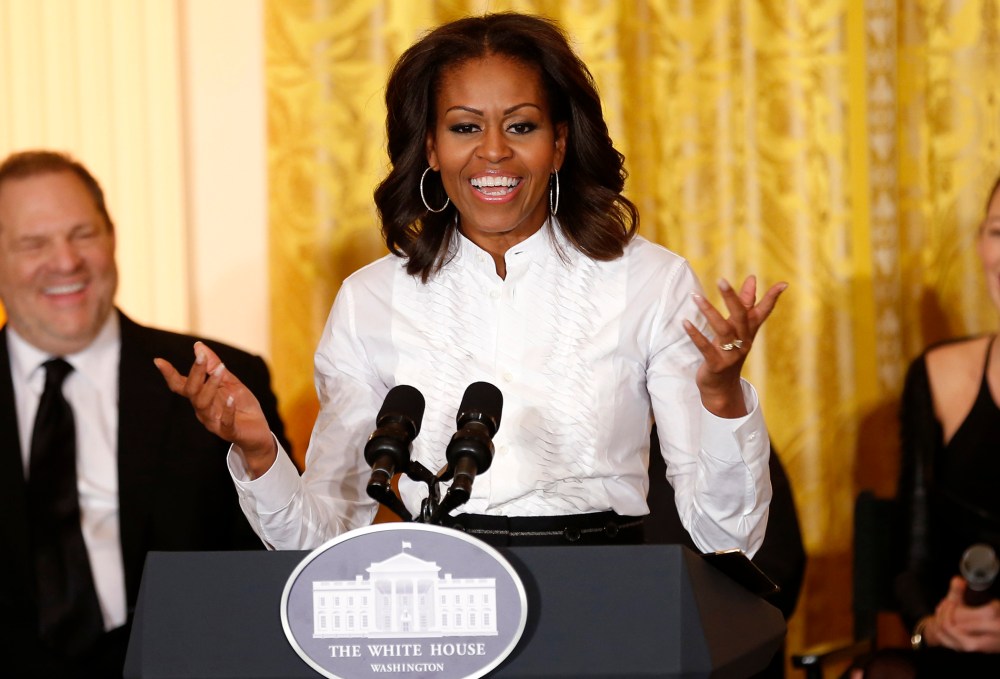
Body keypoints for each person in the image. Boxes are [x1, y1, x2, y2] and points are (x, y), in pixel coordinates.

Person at [158, 12, 785, 555]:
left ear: (560, 143)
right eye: (464, 127)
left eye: (520, 126)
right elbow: (321, 536)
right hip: (437, 600)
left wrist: (722, 394)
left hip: (602, 596)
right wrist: (261, 452)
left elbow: (725, 533)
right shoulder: (370, 300)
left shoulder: (649, 280)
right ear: (430, 147)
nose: (492, 153)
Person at [0, 150, 291, 678]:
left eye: (83, 234)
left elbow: (280, 566)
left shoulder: (220, 378)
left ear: (112, 237)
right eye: (33, 243)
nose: (66, 261)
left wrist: (258, 456)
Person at [856, 173, 1000, 678]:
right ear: (980, 242)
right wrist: (929, 626)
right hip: (953, 653)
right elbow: (909, 559)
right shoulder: (937, 374)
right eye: (999, 232)